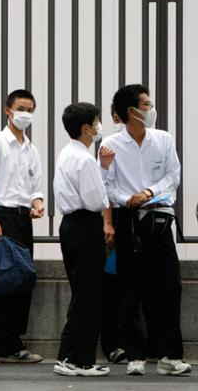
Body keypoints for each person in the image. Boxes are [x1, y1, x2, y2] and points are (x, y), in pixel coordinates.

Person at [101, 84, 191, 376]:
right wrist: (125, 199)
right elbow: (106, 185)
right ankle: (136, 355)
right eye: (146, 104)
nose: (151, 109)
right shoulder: (110, 144)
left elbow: (173, 175)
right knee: (130, 288)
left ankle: (170, 355)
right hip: (128, 218)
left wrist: (149, 192)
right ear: (132, 112)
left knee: (169, 285)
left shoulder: (163, 139)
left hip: (159, 218)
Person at [0, 89, 44, 365]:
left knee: (23, 280)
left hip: (23, 218)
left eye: (30, 109)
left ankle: (11, 344)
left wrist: (37, 204)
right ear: (8, 110)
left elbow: (35, 186)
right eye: (21, 108)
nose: (25, 114)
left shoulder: (32, 149)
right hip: (0, 217)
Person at [52, 102, 111, 377]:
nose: (99, 126)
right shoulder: (86, 159)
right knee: (89, 294)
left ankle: (68, 356)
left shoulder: (67, 153)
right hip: (86, 224)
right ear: (87, 127)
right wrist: (105, 171)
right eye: (97, 121)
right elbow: (96, 199)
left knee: (81, 292)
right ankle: (80, 360)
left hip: (70, 225)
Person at [99, 105, 126, 365]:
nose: (117, 123)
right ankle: (112, 343)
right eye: (114, 118)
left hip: (142, 219)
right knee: (113, 285)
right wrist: (108, 223)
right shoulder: (109, 145)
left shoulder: (153, 142)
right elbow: (105, 187)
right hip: (117, 218)